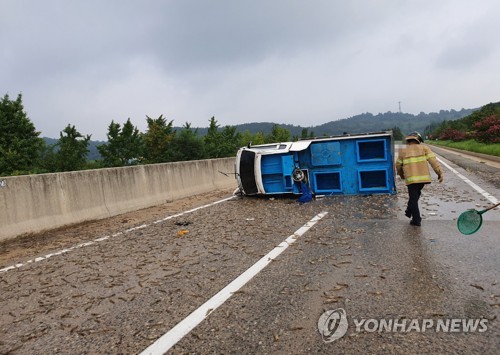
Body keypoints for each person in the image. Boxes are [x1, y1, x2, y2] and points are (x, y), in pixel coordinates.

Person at [396, 132, 444, 226]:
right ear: (418, 140)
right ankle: (409, 211)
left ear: (408, 140)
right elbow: (433, 161)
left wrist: (401, 175)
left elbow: (398, 165)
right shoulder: (424, 148)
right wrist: (439, 173)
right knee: (416, 195)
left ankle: (416, 220)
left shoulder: (403, 150)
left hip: (411, 180)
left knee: (413, 198)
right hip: (423, 179)